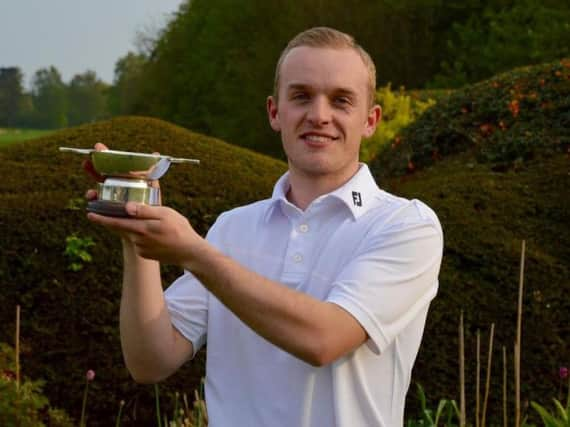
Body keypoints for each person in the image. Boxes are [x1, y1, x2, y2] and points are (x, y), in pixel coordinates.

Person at [87, 27, 443, 427]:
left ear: (370, 120)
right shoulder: (232, 228)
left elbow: (323, 339)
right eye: (301, 96)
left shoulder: (406, 226)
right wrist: (140, 235)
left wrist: (194, 252)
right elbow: (150, 361)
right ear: (275, 112)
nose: (319, 115)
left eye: (341, 100)